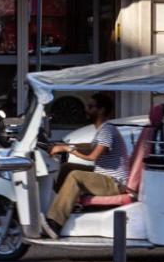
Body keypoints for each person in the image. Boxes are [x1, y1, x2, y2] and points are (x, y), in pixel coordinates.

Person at [42, 91, 129, 237]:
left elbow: (92, 156)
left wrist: (66, 149)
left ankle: (54, 223)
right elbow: (90, 146)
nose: (86, 110)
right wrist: (60, 145)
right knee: (67, 168)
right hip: (105, 178)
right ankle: (58, 204)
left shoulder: (107, 130)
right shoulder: (103, 129)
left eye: (90, 107)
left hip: (114, 184)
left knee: (76, 176)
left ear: (101, 110)